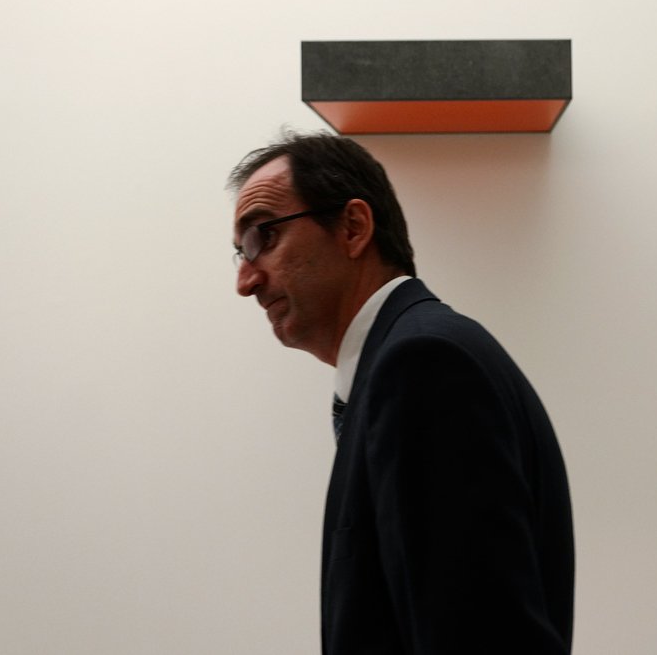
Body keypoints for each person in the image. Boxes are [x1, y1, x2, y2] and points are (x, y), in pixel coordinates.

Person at [227, 130, 574, 655]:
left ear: (353, 227)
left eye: (262, 238)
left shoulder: (421, 366)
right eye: (239, 253)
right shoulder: (415, 357)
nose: (246, 281)